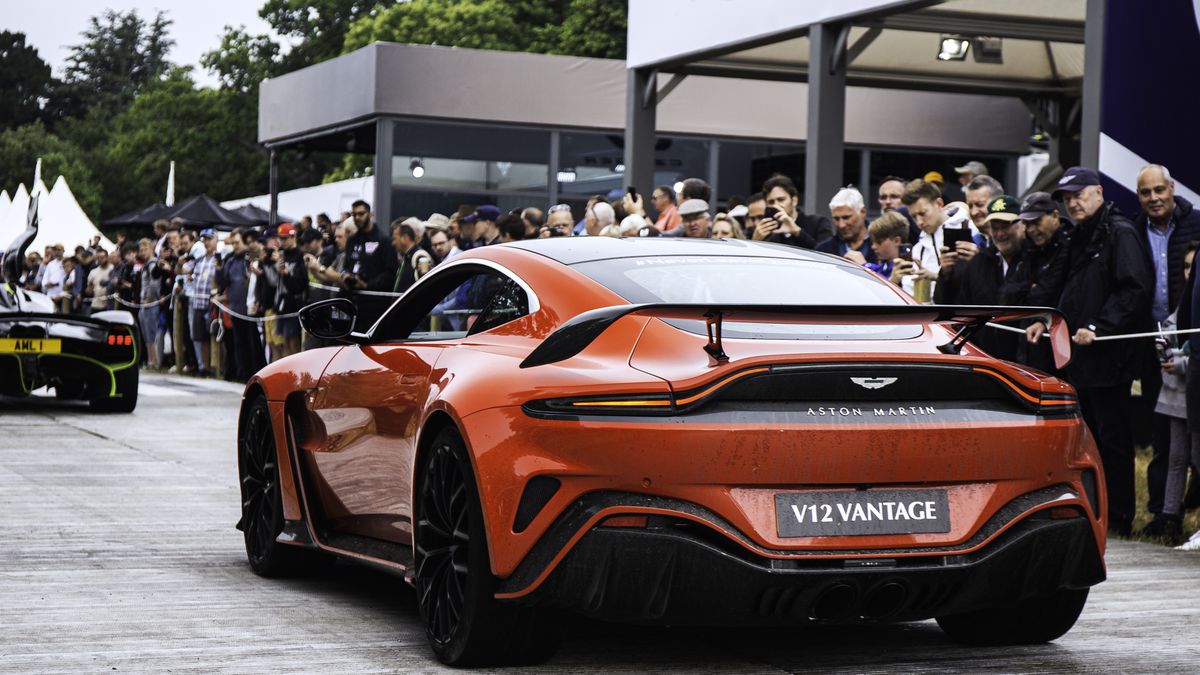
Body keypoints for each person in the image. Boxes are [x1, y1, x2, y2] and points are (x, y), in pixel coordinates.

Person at [1025, 166, 1154, 536]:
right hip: (1080, 357)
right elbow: (1060, 283)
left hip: (1110, 355)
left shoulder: (1120, 232)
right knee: (1090, 439)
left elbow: (1134, 289)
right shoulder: (1078, 235)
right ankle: (1096, 513)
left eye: (1078, 195)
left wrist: (1099, 326)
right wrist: (1043, 318)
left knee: (1113, 440)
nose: (1072, 203)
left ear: (1098, 192)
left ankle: (1119, 518)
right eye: (1066, 198)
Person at [1132, 164, 1200, 527]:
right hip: (1152, 343)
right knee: (1164, 434)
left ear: (1172, 187)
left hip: (1193, 342)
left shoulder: (1195, 224)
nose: (1154, 198)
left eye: (1160, 190)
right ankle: (1163, 511)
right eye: (1146, 193)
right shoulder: (1133, 229)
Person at [1145, 242, 1199, 545]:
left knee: (1196, 455)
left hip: (1194, 388)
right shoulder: (1184, 301)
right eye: (1187, 266)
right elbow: (1170, 331)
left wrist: (1183, 361)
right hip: (1177, 393)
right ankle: (1169, 516)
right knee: (1176, 456)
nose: (1191, 272)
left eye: (1196, 266)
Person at [934, 195, 1026, 361]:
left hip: (1025, 356)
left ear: (1022, 225)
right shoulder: (979, 263)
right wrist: (946, 275)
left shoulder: (1033, 259)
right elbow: (957, 309)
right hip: (986, 358)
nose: (1000, 233)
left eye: (1005, 226)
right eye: (994, 227)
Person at [1000, 191, 1073, 373]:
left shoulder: (1069, 247)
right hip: (1028, 345)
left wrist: (1028, 291)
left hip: (1059, 349)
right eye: (1026, 223)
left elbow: (1047, 294)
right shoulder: (1028, 249)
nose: (1031, 229)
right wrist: (1029, 287)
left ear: (1055, 216)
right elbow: (1006, 293)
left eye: (1036, 222)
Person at [343, 199, 398, 328]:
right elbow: (346, 266)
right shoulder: (351, 240)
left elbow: (390, 272)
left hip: (375, 304)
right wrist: (345, 276)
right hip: (352, 301)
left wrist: (367, 285)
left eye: (361, 213)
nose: (357, 217)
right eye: (354, 214)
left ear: (370, 214)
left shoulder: (383, 240)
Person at [272, 223, 307, 359]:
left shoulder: (300, 256)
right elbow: (274, 281)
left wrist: (286, 274)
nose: (282, 242)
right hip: (281, 302)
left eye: (285, 238)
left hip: (294, 304)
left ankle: (295, 373)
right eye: (280, 238)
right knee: (283, 341)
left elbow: (300, 285)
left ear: (293, 237)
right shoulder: (282, 255)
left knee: (293, 341)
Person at [186, 229, 218, 375]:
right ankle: (203, 366)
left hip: (211, 304)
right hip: (198, 302)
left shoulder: (218, 259)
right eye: (204, 240)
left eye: (209, 239)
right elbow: (184, 270)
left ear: (216, 240)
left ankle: (215, 366)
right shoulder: (200, 259)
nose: (206, 242)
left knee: (212, 336)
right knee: (200, 337)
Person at [816, 187, 875, 264]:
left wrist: (867, 266)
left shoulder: (883, 246)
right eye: (836, 219)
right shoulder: (824, 250)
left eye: (846, 217)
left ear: (862, 212)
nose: (841, 225)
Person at [865, 211, 909, 282]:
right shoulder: (883, 267)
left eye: (879, 242)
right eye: (873, 242)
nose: (873, 247)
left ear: (896, 241)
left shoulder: (907, 269)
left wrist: (893, 281)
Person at [392, 218, 434, 293]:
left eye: (395, 238)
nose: (393, 243)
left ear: (404, 238)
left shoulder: (420, 256)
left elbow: (426, 286)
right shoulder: (407, 257)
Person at [86, 249, 113, 313]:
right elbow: (88, 292)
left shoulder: (113, 269)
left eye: (102, 257)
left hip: (109, 305)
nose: (100, 259)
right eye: (98, 257)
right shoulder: (93, 272)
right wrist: (90, 287)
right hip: (96, 304)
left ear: (107, 257)